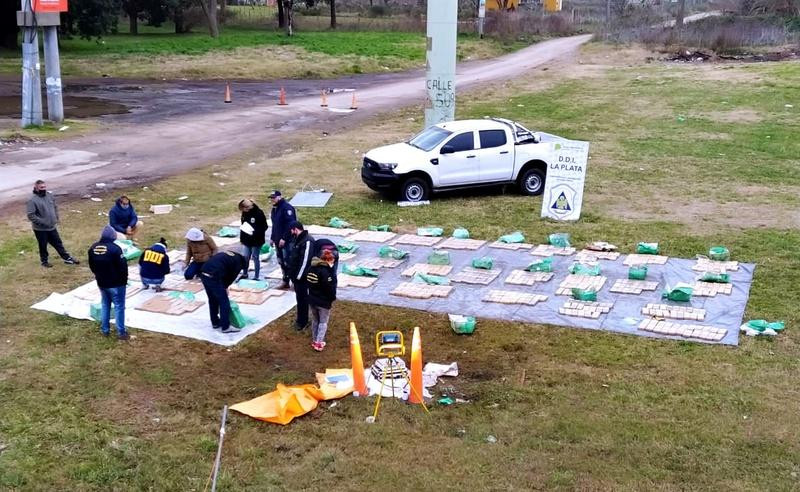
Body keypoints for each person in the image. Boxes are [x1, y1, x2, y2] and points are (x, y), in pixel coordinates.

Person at [26, 179, 80, 268]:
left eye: (44, 187)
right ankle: (44, 261)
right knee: (43, 245)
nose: (43, 189)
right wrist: (43, 222)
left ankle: (67, 258)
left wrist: (56, 218)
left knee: (58, 243)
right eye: (41, 187)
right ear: (36, 188)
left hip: (52, 226)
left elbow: (54, 207)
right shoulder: (32, 200)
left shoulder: (49, 196)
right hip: (40, 229)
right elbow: (31, 215)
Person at [87, 225, 129, 340]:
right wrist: (124, 281)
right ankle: (121, 332)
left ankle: (105, 330)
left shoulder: (93, 248)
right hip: (116, 284)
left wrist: (98, 276)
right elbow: (122, 267)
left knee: (105, 305)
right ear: (113, 236)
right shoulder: (115, 249)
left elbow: (91, 265)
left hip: (102, 282)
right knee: (119, 307)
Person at [200, 251, 247, 334]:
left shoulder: (231, 255)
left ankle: (215, 322)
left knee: (213, 299)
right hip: (213, 276)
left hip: (203, 272)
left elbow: (223, 269)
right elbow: (231, 277)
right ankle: (226, 326)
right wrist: (225, 287)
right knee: (224, 302)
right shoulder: (238, 263)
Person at [306, 248, 337, 352]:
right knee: (323, 322)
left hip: (312, 299)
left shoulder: (311, 268)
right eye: (332, 261)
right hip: (323, 302)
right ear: (328, 260)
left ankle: (315, 340)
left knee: (315, 320)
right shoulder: (326, 272)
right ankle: (319, 343)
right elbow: (329, 288)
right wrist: (332, 298)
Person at [286, 221, 314, 331]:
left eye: (291, 230)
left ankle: (303, 322)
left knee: (303, 299)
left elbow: (305, 262)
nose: (291, 233)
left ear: (295, 229)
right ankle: (300, 319)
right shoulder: (298, 239)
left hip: (302, 278)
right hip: (297, 277)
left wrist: (298, 277)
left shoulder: (307, 241)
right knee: (299, 299)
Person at [269, 190, 296, 289]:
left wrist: (284, 238)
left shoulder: (287, 208)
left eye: (274, 197)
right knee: (281, 261)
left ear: (279, 197)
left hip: (287, 241)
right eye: (271, 198)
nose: (272, 199)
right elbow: (275, 225)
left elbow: (291, 225)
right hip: (277, 240)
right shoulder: (275, 209)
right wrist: (272, 238)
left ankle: (294, 282)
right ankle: (285, 281)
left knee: (289, 261)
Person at [238, 199, 268, 280]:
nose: (243, 211)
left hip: (256, 240)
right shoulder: (244, 213)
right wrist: (242, 239)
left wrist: (254, 232)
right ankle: (245, 273)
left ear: (247, 207)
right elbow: (243, 225)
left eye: (243, 209)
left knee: (255, 257)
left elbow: (264, 226)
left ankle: (256, 276)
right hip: (246, 240)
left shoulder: (259, 213)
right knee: (245, 257)